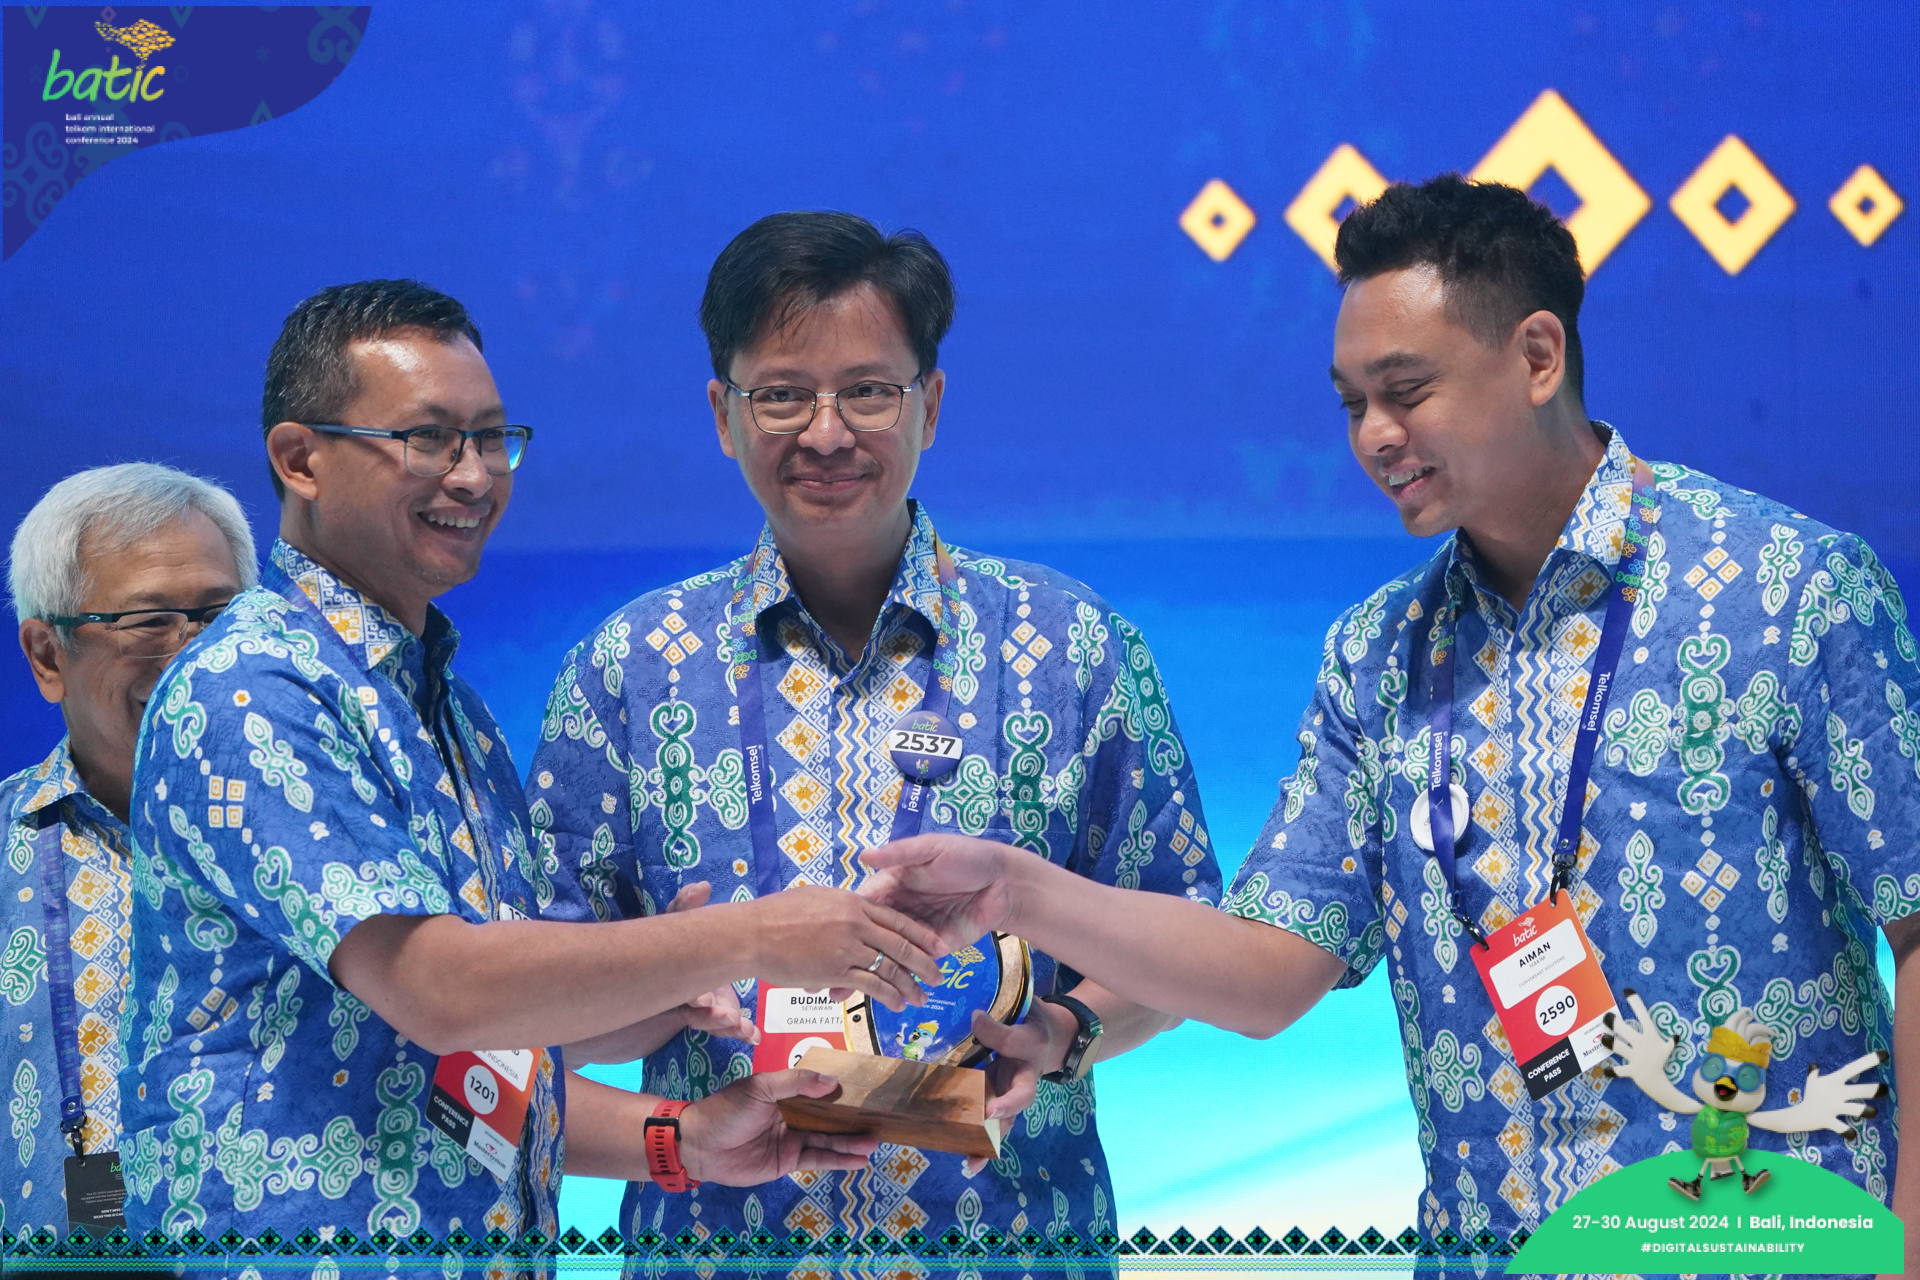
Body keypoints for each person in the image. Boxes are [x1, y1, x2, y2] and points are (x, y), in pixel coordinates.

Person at [861, 175, 1920, 1258]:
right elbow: (1267, 973)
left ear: (1538, 356)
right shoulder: (1377, 655)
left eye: (1406, 390)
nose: (1374, 435)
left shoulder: (1788, 591)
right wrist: (1020, 889)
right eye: (1350, 403)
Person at [117, 280, 951, 1259]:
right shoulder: (254, 689)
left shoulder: (453, 713)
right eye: (430, 439)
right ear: (301, 458)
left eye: (489, 438)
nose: (473, 476)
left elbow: (472, 1051)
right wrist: (755, 935)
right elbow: (440, 991)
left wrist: (680, 1131)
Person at [526, 212, 1221, 1255]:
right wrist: (670, 978)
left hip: (1010, 1245)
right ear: (722, 414)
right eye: (781, 394)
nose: (825, 433)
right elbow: (537, 1011)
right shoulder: (626, 668)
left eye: (867, 391)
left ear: (930, 405)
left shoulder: (1072, 645)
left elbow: (1184, 937)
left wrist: (1066, 1031)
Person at [2, 464, 254, 1237]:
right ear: (47, 655)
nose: (193, 655)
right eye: (149, 622)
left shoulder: (342, 844)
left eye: (219, 616)